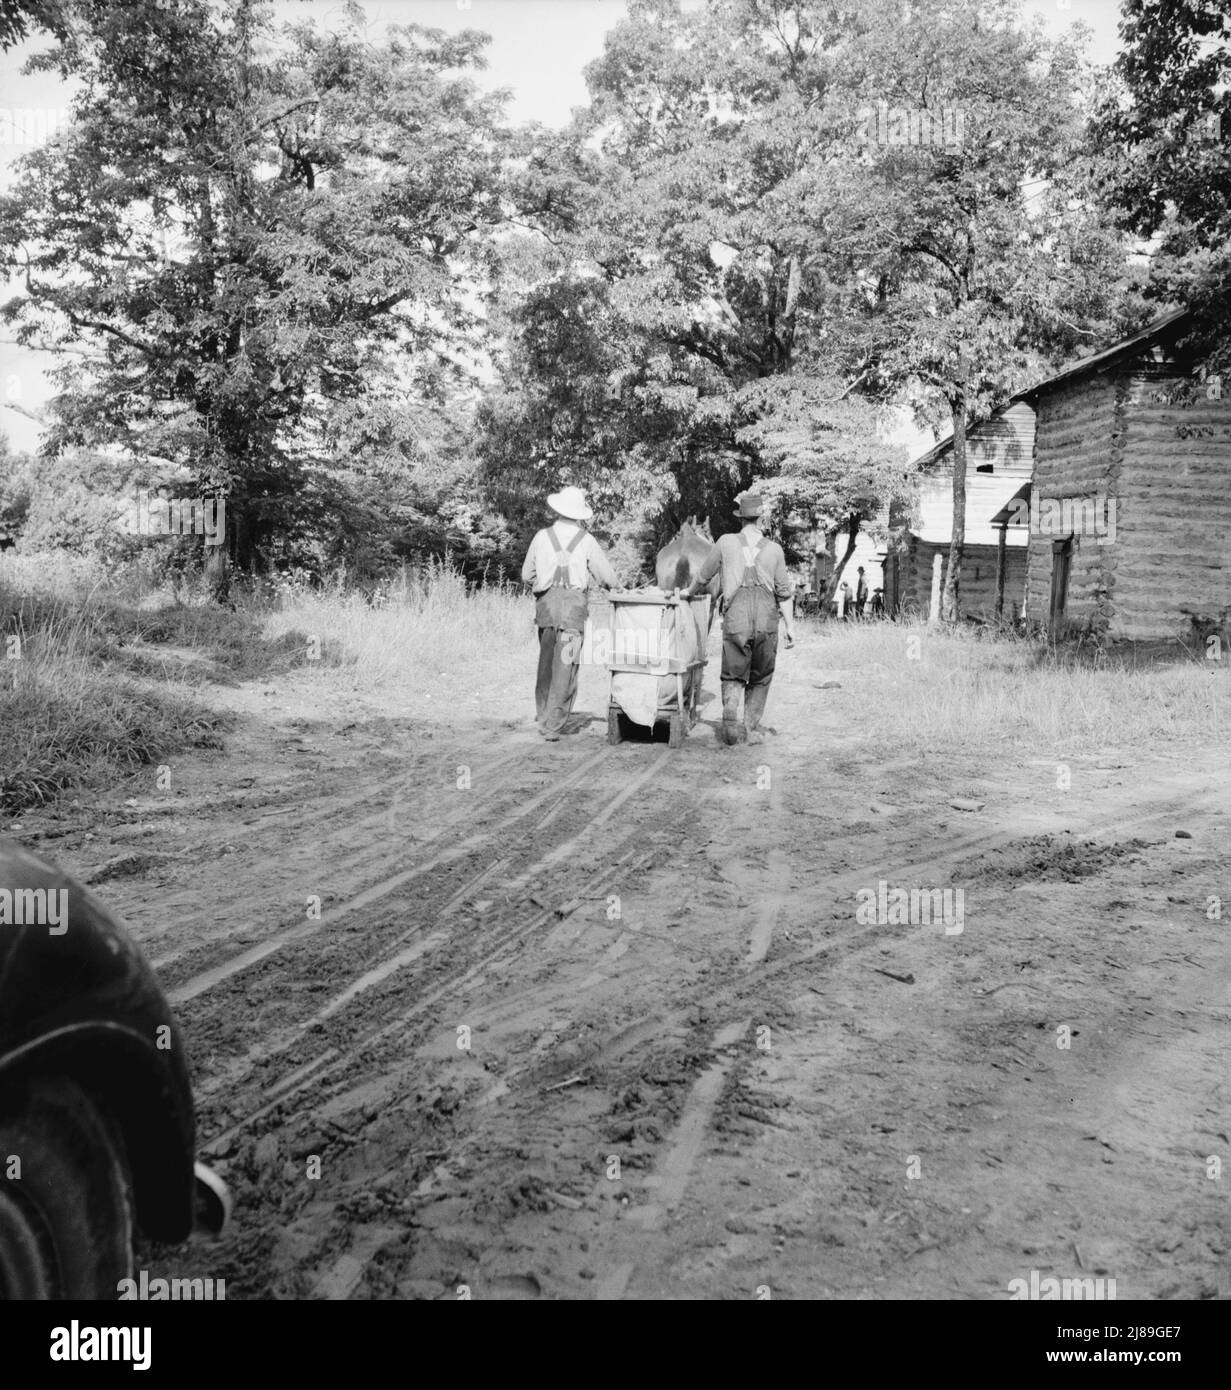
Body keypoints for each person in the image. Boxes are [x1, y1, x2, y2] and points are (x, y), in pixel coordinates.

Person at [681, 491, 795, 746]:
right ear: (760, 520)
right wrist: (791, 627)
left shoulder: (724, 542)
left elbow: (703, 576)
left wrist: (688, 593)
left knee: (733, 672)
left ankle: (730, 723)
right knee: (761, 674)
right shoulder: (775, 550)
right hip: (767, 618)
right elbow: (784, 593)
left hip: (736, 617)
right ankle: (749, 727)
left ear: (740, 519)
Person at [521, 486, 617, 742]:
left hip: (546, 607)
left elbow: (526, 575)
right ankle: (553, 723)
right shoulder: (586, 540)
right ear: (579, 514)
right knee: (568, 664)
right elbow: (606, 577)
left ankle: (543, 716)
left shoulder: (541, 537)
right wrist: (615, 587)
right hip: (574, 610)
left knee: (546, 662)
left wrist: (543, 586)